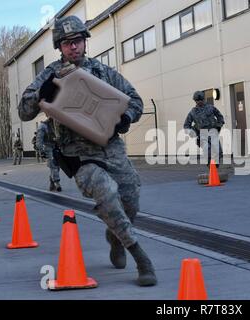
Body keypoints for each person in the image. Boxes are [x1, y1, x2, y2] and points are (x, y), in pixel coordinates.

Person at [17, 15, 156, 287]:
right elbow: (24, 111)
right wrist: (40, 94)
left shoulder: (103, 73)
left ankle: (115, 237)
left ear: (84, 42)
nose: (74, 47)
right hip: (78, 156)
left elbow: (135, 100)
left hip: (111, 149)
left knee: (130, 201)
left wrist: (125, 117)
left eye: (78, 41)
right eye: (67, 43)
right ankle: (141, 258)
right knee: (107, 194)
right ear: (59, 47)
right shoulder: (51, 75)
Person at [184, 91, 225, 167]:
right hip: (202, 134)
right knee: (207, 150)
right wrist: (192, 133)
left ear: (204, 99)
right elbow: (186, 125)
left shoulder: (211, 108)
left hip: (213, 132)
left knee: (217, 151)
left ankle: (215, 166)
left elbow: (220, 117)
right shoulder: (193, 112)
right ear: (195, 101)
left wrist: (219, 126)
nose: (199, 102)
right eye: (197, 100)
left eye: (201, 100)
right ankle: (210, 166)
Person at [37, 118, 62, 192]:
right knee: (53, 165)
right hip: (48, 147)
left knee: (57, 166)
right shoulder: (43, 126)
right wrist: (41, 151)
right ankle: (57, 183)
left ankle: (52, 182)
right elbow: (39, 139)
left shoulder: (58, 124)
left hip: (56, 147)